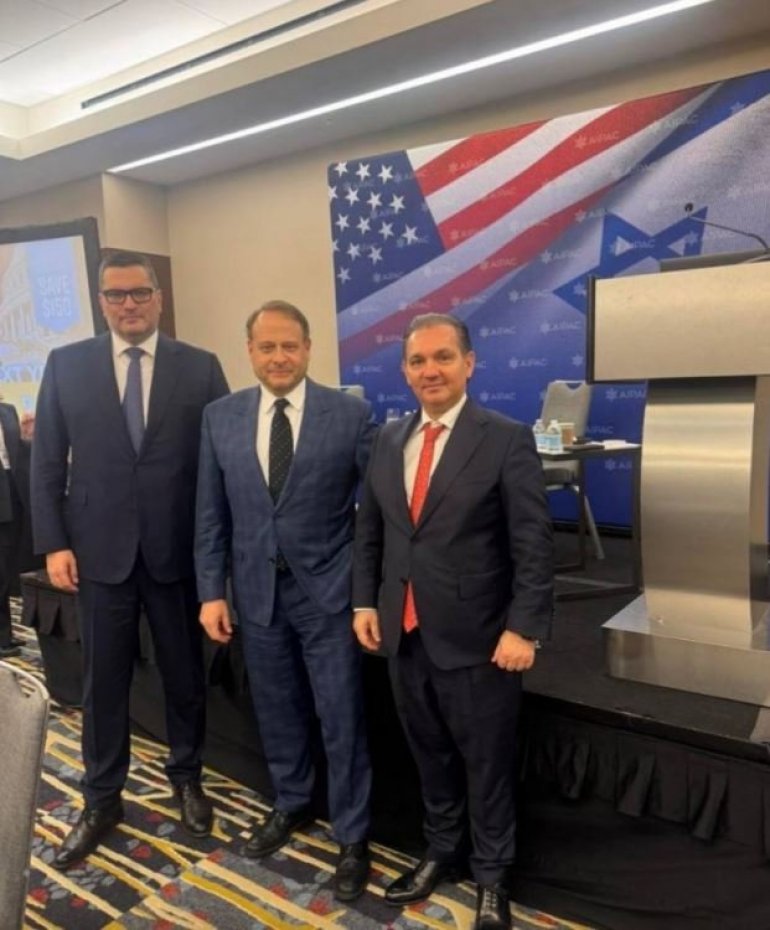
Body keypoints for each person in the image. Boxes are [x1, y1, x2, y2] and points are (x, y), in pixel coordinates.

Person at [352, 313, 553, 930]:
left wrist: (524, 627)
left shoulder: (505, 439)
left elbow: (532, 542)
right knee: (430, 756)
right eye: (417, 361)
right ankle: (441, 851)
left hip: (480, 640)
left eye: (443, 357)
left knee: (486, 765)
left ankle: (492, 876)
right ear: (404, 370)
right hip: (404, 634)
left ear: (469, 363)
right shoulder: (389, 439)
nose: (430, 370)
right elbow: (371, 532)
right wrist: (364, 602)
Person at [31, 250, 229, 869]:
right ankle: (101, 798)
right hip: (98, 554)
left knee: (184, 676)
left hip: (177, 554)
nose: (129, 304)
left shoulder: (199, 367)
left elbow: (220, 465)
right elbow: (46, 461)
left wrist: (218, 554)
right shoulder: (66, 364)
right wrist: (54, 542)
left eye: (140, 292)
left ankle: (187, 778)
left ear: (159, 298)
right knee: (104, 682)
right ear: (101, 302)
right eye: (116, 295)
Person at [195, 300, 376, 902]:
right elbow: (209, 514)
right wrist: (211, 592)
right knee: (276, 710)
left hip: (328, 594)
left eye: (289, 346)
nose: (279, 357)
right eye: (267, 347)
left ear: (308, 349)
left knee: (341, 716)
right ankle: (292, 802)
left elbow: (376, 515)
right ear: (250, 351)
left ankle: (353, 835)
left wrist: (366, 593)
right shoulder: (219, 417)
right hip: (254, 595)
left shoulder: (350, 415)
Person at [0, 402, 34, 657]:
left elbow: (18, 455)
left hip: (11, 496)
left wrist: (28, 439)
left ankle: (4, 634)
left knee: (6, 568)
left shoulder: (7, 410)